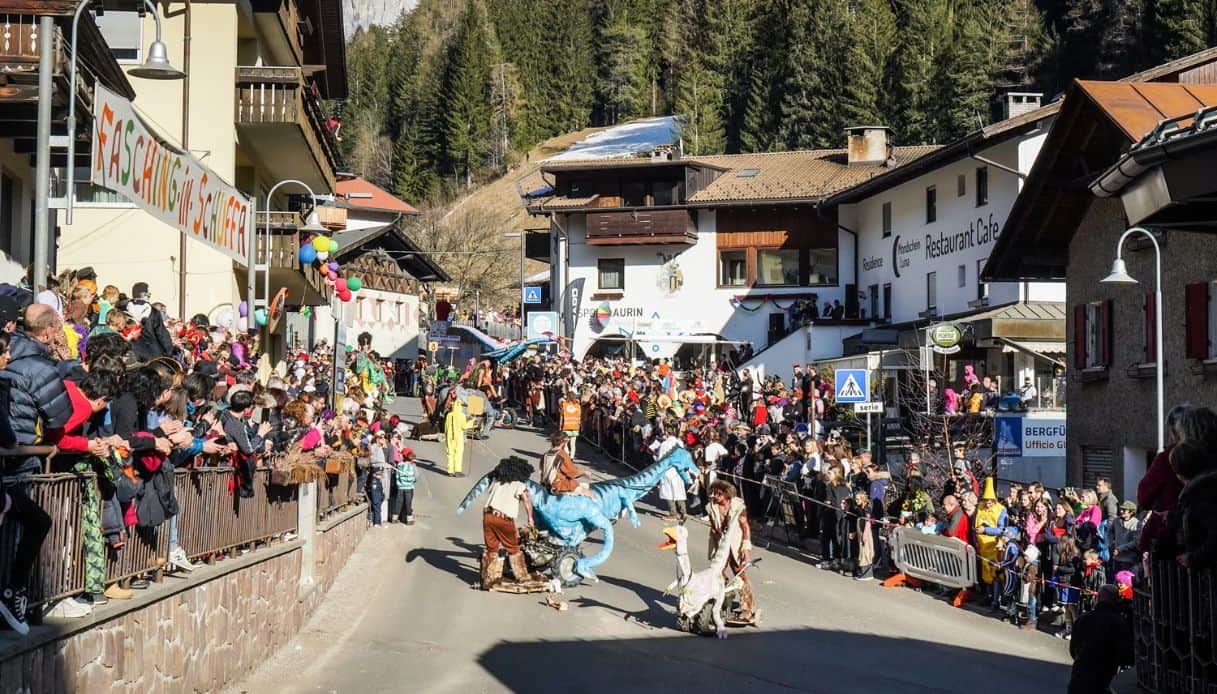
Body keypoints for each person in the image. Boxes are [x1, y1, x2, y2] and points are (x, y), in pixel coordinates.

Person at [480, 456, 538, 589]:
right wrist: (530, 518)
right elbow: (527, 502)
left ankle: (489, 578)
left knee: (492, 549)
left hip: (488, 516)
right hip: (504, 519)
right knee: (514, 549)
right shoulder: (519, 484)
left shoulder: (496, 481)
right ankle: (523, 577)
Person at [1068, 585, 1133, 694]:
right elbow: (1126, 656)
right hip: (1102, 681)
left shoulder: (1083, 618)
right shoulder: (1118, 623)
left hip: (1079, 678)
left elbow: (1073, 649)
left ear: (1098, 598)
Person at [706, 479, 755, 623]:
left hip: (735, 543)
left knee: (739, 573)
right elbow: (713, 527)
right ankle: (724, 599)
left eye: (718, 494)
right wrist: (716, 544)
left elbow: (745, 527)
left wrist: (746, 547)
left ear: (727, 495)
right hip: (720, 543)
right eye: (713, 493)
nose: (715, 496)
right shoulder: (711, 507)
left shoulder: (738, 506)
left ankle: (748, 610)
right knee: (718, 573)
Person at [539, 431, 593, 498]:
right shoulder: (562, 454)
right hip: (557, 485)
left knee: (583, 485)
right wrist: (584, 473)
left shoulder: (546, 454)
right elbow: (572, 472)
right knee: (589, 493)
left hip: (545, 484)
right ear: (563, 442)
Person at [444, 399, 474, 477]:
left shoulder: (449, 415)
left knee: (450, 453)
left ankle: (450, 471)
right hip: (458, 437)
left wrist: (446, 436)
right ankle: (457, 470)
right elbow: (464, 426)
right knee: (458, 453)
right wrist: (472, 422)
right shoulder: (462, 415)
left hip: (449, 436)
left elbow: (446, 426)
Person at [394, 448, 417, 524]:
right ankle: (409, 519)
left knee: (399, 502)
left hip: (400, 487)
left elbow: (397, 476)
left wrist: (399, 483)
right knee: (408, 503)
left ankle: (395, 518)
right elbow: (416, 476)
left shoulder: (399, 465)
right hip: (409, 487)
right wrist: (414, 480)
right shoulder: (412, 465)